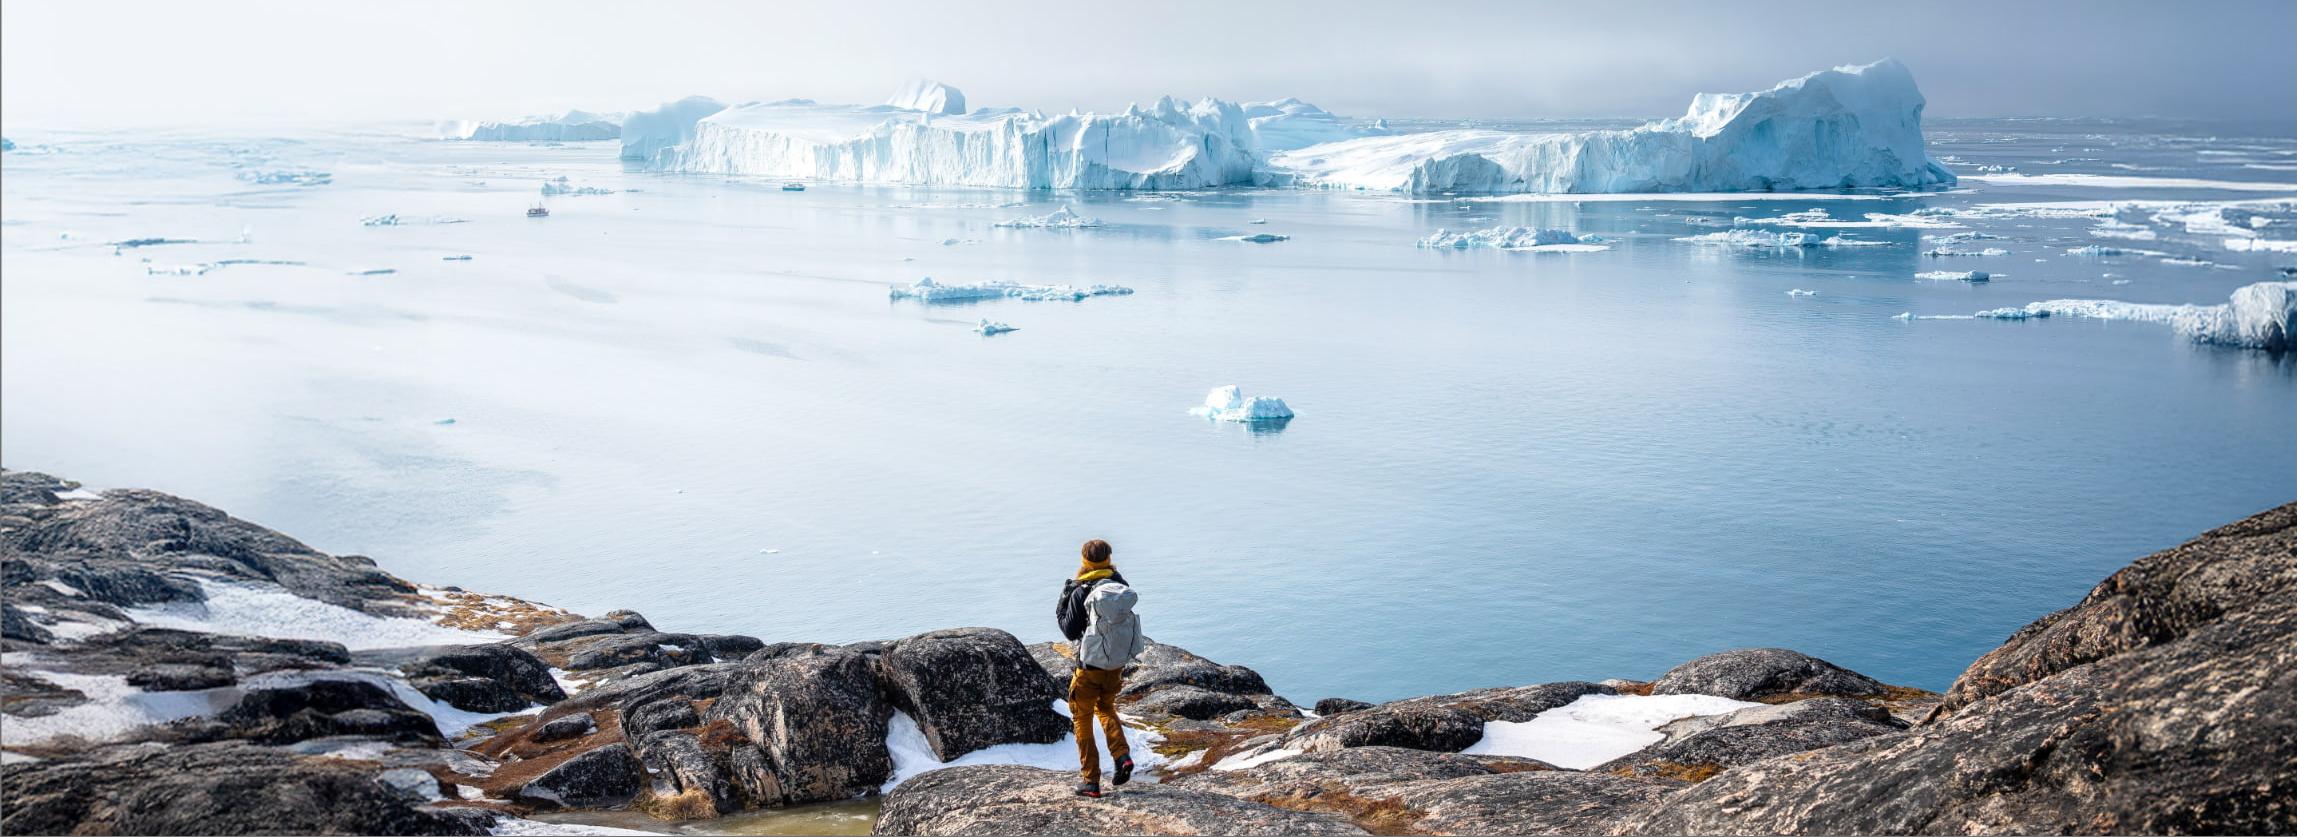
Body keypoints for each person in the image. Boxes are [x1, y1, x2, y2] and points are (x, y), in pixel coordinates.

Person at [1055, 538, 1145, 798]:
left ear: (1084, 560)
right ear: (1108, 558)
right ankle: (1122, 756)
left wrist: (1064, 601)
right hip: (1115, 665)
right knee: (1105, 707)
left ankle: (1091, 781)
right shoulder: (1119, 586)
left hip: (1090, 666)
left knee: (1081, 717)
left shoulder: (1081, 589)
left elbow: (1070, 631)